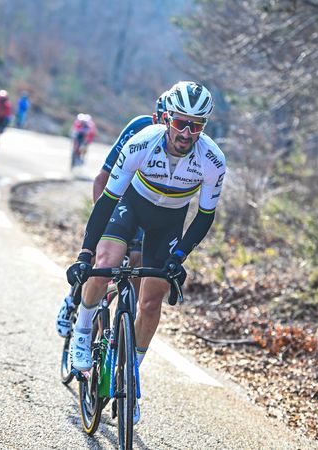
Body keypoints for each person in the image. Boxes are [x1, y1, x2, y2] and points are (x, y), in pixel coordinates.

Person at [66, 81, 225, 424]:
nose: (187, 132)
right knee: (105, 264)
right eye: (181, 122)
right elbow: (107, 200)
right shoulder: (142, 141)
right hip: (130, 208)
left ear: (203, 126)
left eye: (196, 125)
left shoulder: (212, 159)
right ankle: (82, 329)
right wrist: (85, 254)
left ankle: (131, 376)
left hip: (168, 224)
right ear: (168, 118)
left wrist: (179, 256)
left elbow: (205, 216)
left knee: (152, 301)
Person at [56, 92, 168, 337]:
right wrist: (103, 224)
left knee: (138, 260)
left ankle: (118, 337)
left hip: (147, 210)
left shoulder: (184, 148)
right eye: (165, 121)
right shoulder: (139, 129)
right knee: (103, 257)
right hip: (119, 199)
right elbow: (102, 179)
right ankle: (73, 298)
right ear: (156, 118)